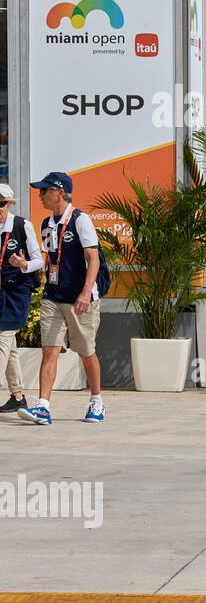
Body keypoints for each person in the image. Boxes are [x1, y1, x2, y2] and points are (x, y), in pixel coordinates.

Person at [19, 172, 106, 425]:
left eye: (44, 191)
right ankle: (43, 406)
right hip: (53, 297)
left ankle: (97, 401)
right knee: (49, 351)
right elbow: (51, 260)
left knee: (86, 352)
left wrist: (85, 293)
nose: (40, 196)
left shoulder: (81, 220)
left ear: (59, 192)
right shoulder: (46, 224)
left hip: (81, 299)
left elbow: (94, 259)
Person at [0, 184, 43, 414]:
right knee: (11, 347)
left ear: (10, 204)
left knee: (2, 340)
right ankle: (17, 396)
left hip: (17, 292)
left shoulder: (22, 225)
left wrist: (24, 264)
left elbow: (39, 260)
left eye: (1, 203)